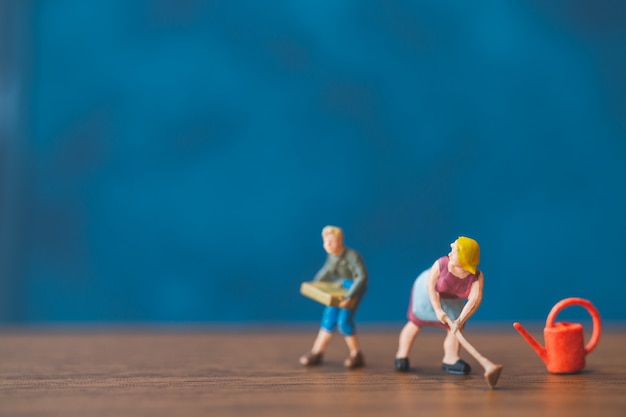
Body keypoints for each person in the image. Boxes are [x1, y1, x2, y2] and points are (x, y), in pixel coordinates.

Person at [394, 236, 484, 374]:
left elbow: (474, 301)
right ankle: (402, 355)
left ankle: (451, 358)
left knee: (455, 329)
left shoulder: (476, 277)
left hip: (450, 299)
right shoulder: (442, 264)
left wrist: (460, 320)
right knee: (416, 321)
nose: (449, 254)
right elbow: (431, 285)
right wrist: (437, 309)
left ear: (465, 257)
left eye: (453, 251)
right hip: (426, 293)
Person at [299, 225, 368, 369]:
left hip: (352, 290)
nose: (328, 245)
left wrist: (349, 296)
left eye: (331, 241)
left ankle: (356, 354)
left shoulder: (352, 256)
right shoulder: (332, 255)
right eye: (325, 242)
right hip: (339, 287)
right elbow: (327, 270)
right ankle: (317, 351)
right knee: (328, 319)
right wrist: (316, 283)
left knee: (344, 322)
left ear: (340, 241)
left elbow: (362, 277)